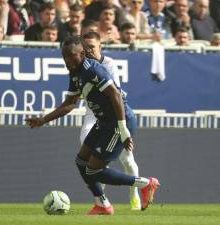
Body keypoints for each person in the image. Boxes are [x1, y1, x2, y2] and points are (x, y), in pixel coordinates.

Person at [25, 35, 159, 215]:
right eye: (64, 55)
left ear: (81, 53)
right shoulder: (75, 72)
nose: (67, 60)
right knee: (81, 161)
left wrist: (123, 128)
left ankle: (145, 184)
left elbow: (116, 96)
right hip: (104, 122)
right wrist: (43, 120)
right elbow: (70, 103)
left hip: (118, 122)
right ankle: (102, 204)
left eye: (71, 55)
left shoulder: (93, 70)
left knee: (93, 170)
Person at [81, 31, 141, 210]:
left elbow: (114, 94)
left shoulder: (109, 64)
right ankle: (102, 200)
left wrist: (124, 129)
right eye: (85, 48)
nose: (88, 51)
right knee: (93, 159)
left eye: (91, 47)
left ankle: (135, 191)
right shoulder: (80, 65)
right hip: (92, 115)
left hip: (114, 114)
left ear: (101, 47)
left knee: (127, 160)